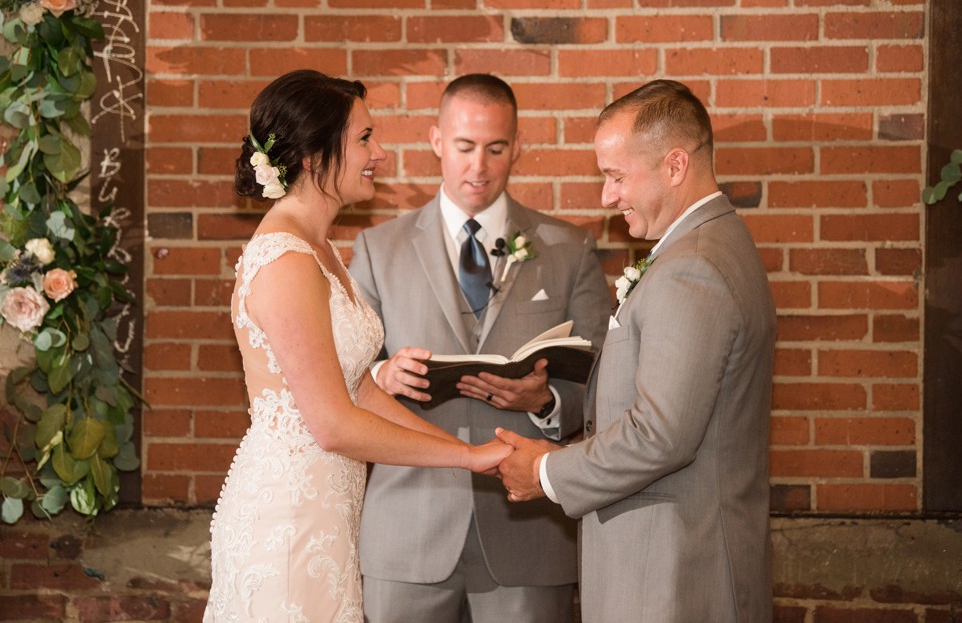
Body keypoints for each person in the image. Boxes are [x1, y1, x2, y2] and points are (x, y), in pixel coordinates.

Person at [203, 70, 512, 623]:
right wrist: (465, 456)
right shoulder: (286, 259)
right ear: (315, 154)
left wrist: (469, 457)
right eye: (365, 139)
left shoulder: (320, 248)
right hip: (289, 520)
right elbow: (332, 423)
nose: (381, 153)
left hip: (329, 512)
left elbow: (361, 392)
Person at [496, 79, 777, 622]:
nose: (607, 196)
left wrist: (549, 472)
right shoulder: (714, 243)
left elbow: (661, 434)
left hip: (674, 575)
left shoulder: (692, 267)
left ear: (675, 166)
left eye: (616, 176)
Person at [348, 74, 611, 622]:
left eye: (495, 148)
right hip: (407, 528)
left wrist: (544, 402)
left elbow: (605, 378)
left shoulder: (569, 249)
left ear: (517, 146)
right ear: (437, 140)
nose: (479, 166)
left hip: (529, 532)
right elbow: (339, 375)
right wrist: (382, 377)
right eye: (465, 147)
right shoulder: (378, 248)